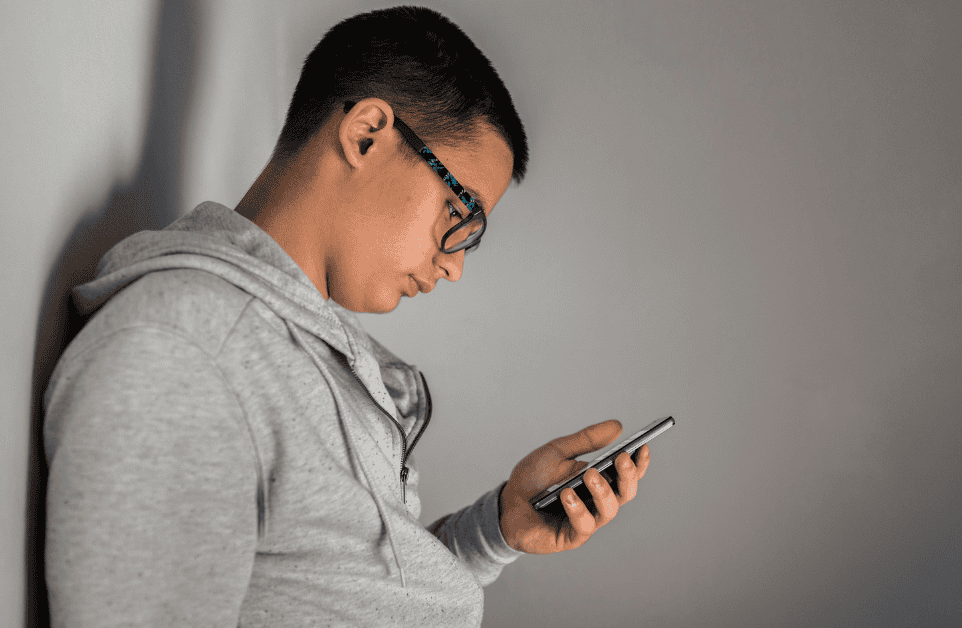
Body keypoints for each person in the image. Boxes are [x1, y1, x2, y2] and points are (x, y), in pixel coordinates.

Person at [43, 7, 650, 627]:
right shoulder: (184, 355)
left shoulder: (298, 349)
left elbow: (338, 595)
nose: (456, 265)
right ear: (366, 134)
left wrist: (494, 530)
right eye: (457, 212)